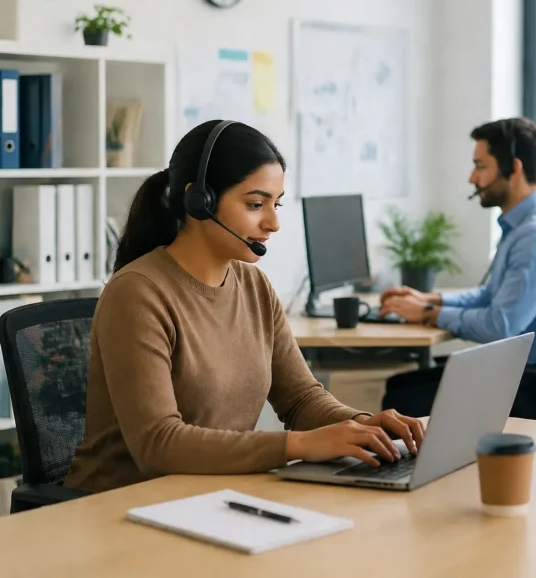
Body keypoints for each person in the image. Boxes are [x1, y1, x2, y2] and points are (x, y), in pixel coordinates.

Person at [64, 120, 424, 493]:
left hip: (211, 495)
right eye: (256, 204)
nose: (273, 223)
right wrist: (298, 446)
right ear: (199, 201)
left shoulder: (254, 286)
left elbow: (301, 399)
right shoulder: (138, 293)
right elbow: (158, 444)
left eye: (276, 204)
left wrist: (363, 426)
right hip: (122, 505)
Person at [379, 117, 536, 420]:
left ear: (514, 169)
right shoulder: (527, 225)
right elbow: (492, 294)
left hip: (532, 387)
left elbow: (500, 326)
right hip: (525, 376)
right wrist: (431, 300)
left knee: (400, 396)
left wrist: (429, 315)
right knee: (403, 384)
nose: (471, 178)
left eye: (480, 167)